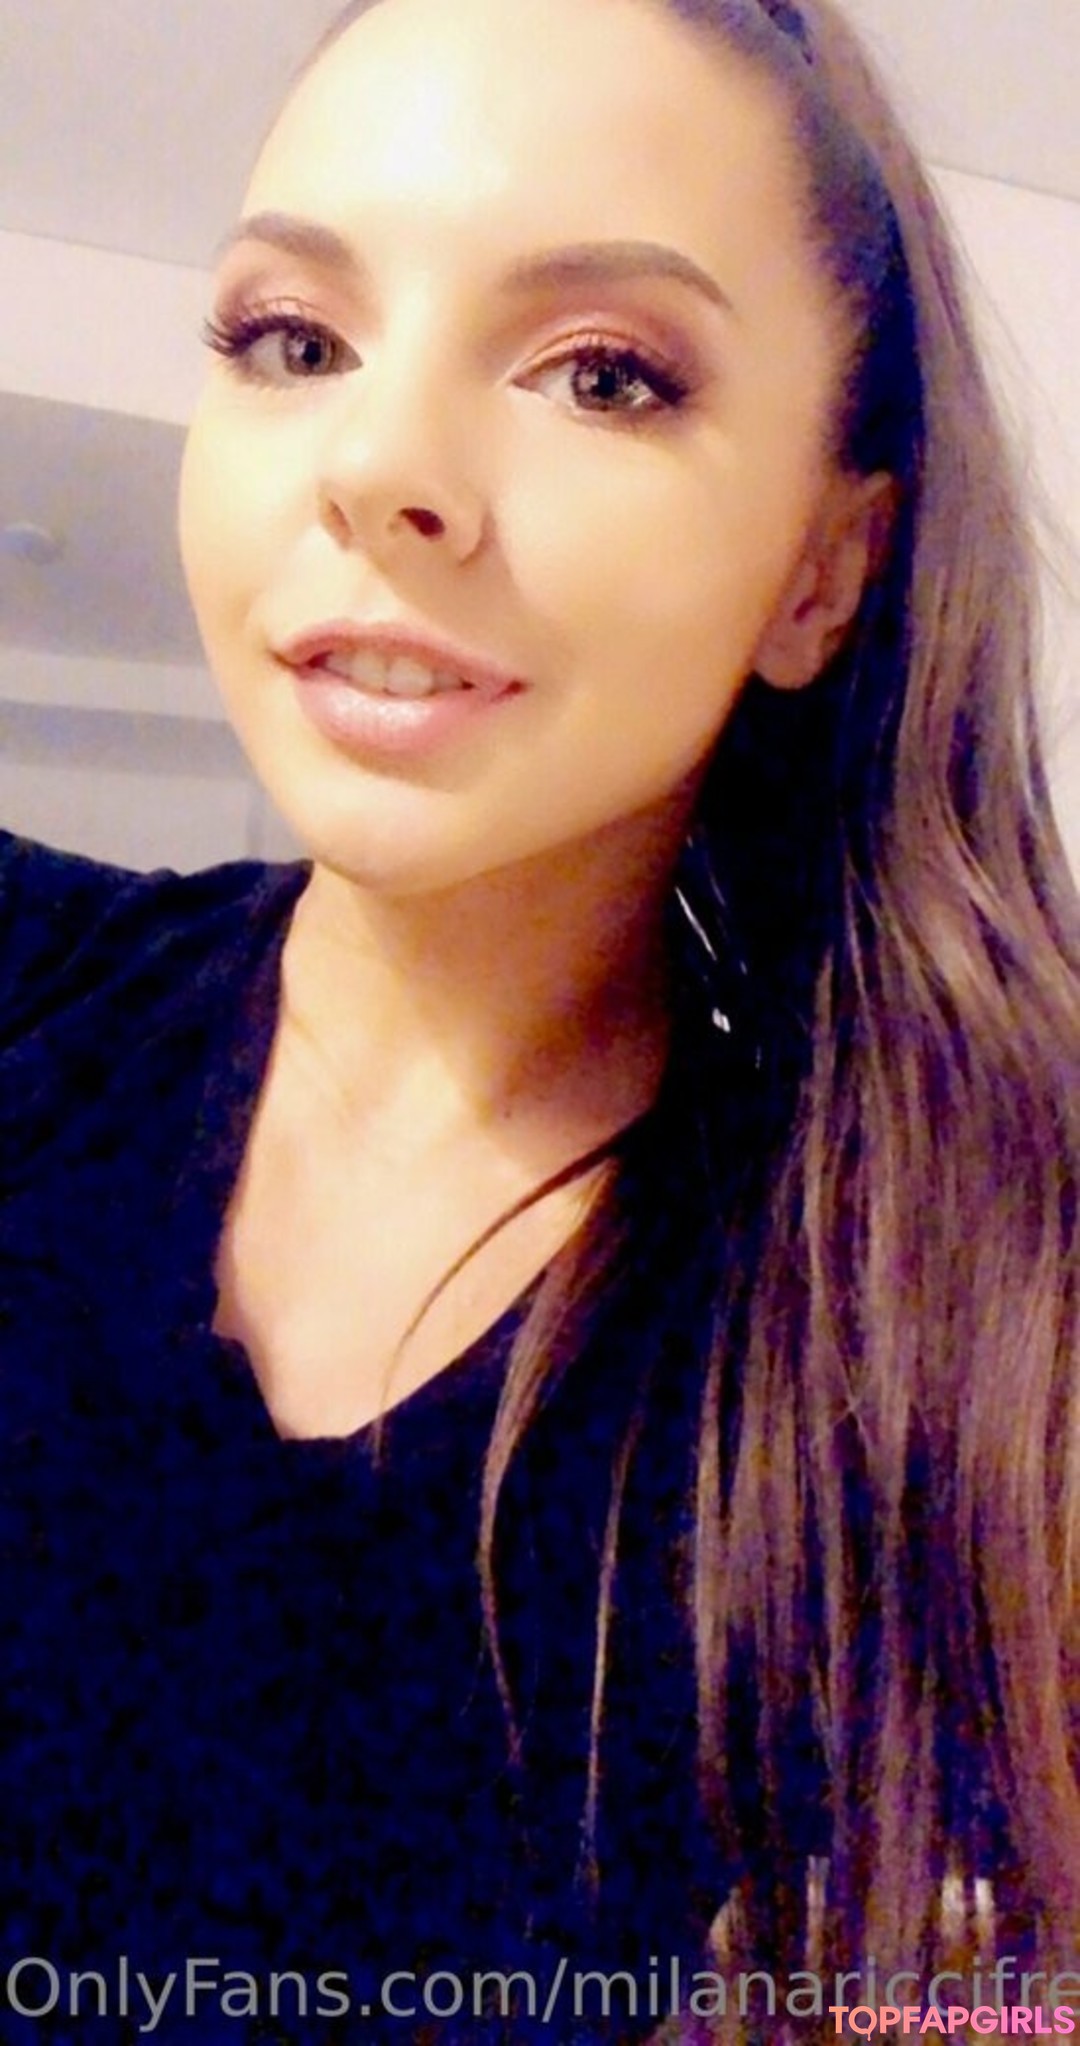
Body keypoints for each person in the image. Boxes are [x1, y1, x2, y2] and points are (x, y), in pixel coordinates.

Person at [1, 0, 1078, 2038]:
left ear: (822, 574)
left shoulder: (959, 1327)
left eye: (603, 373)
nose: (380, 468)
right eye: (292, 340)